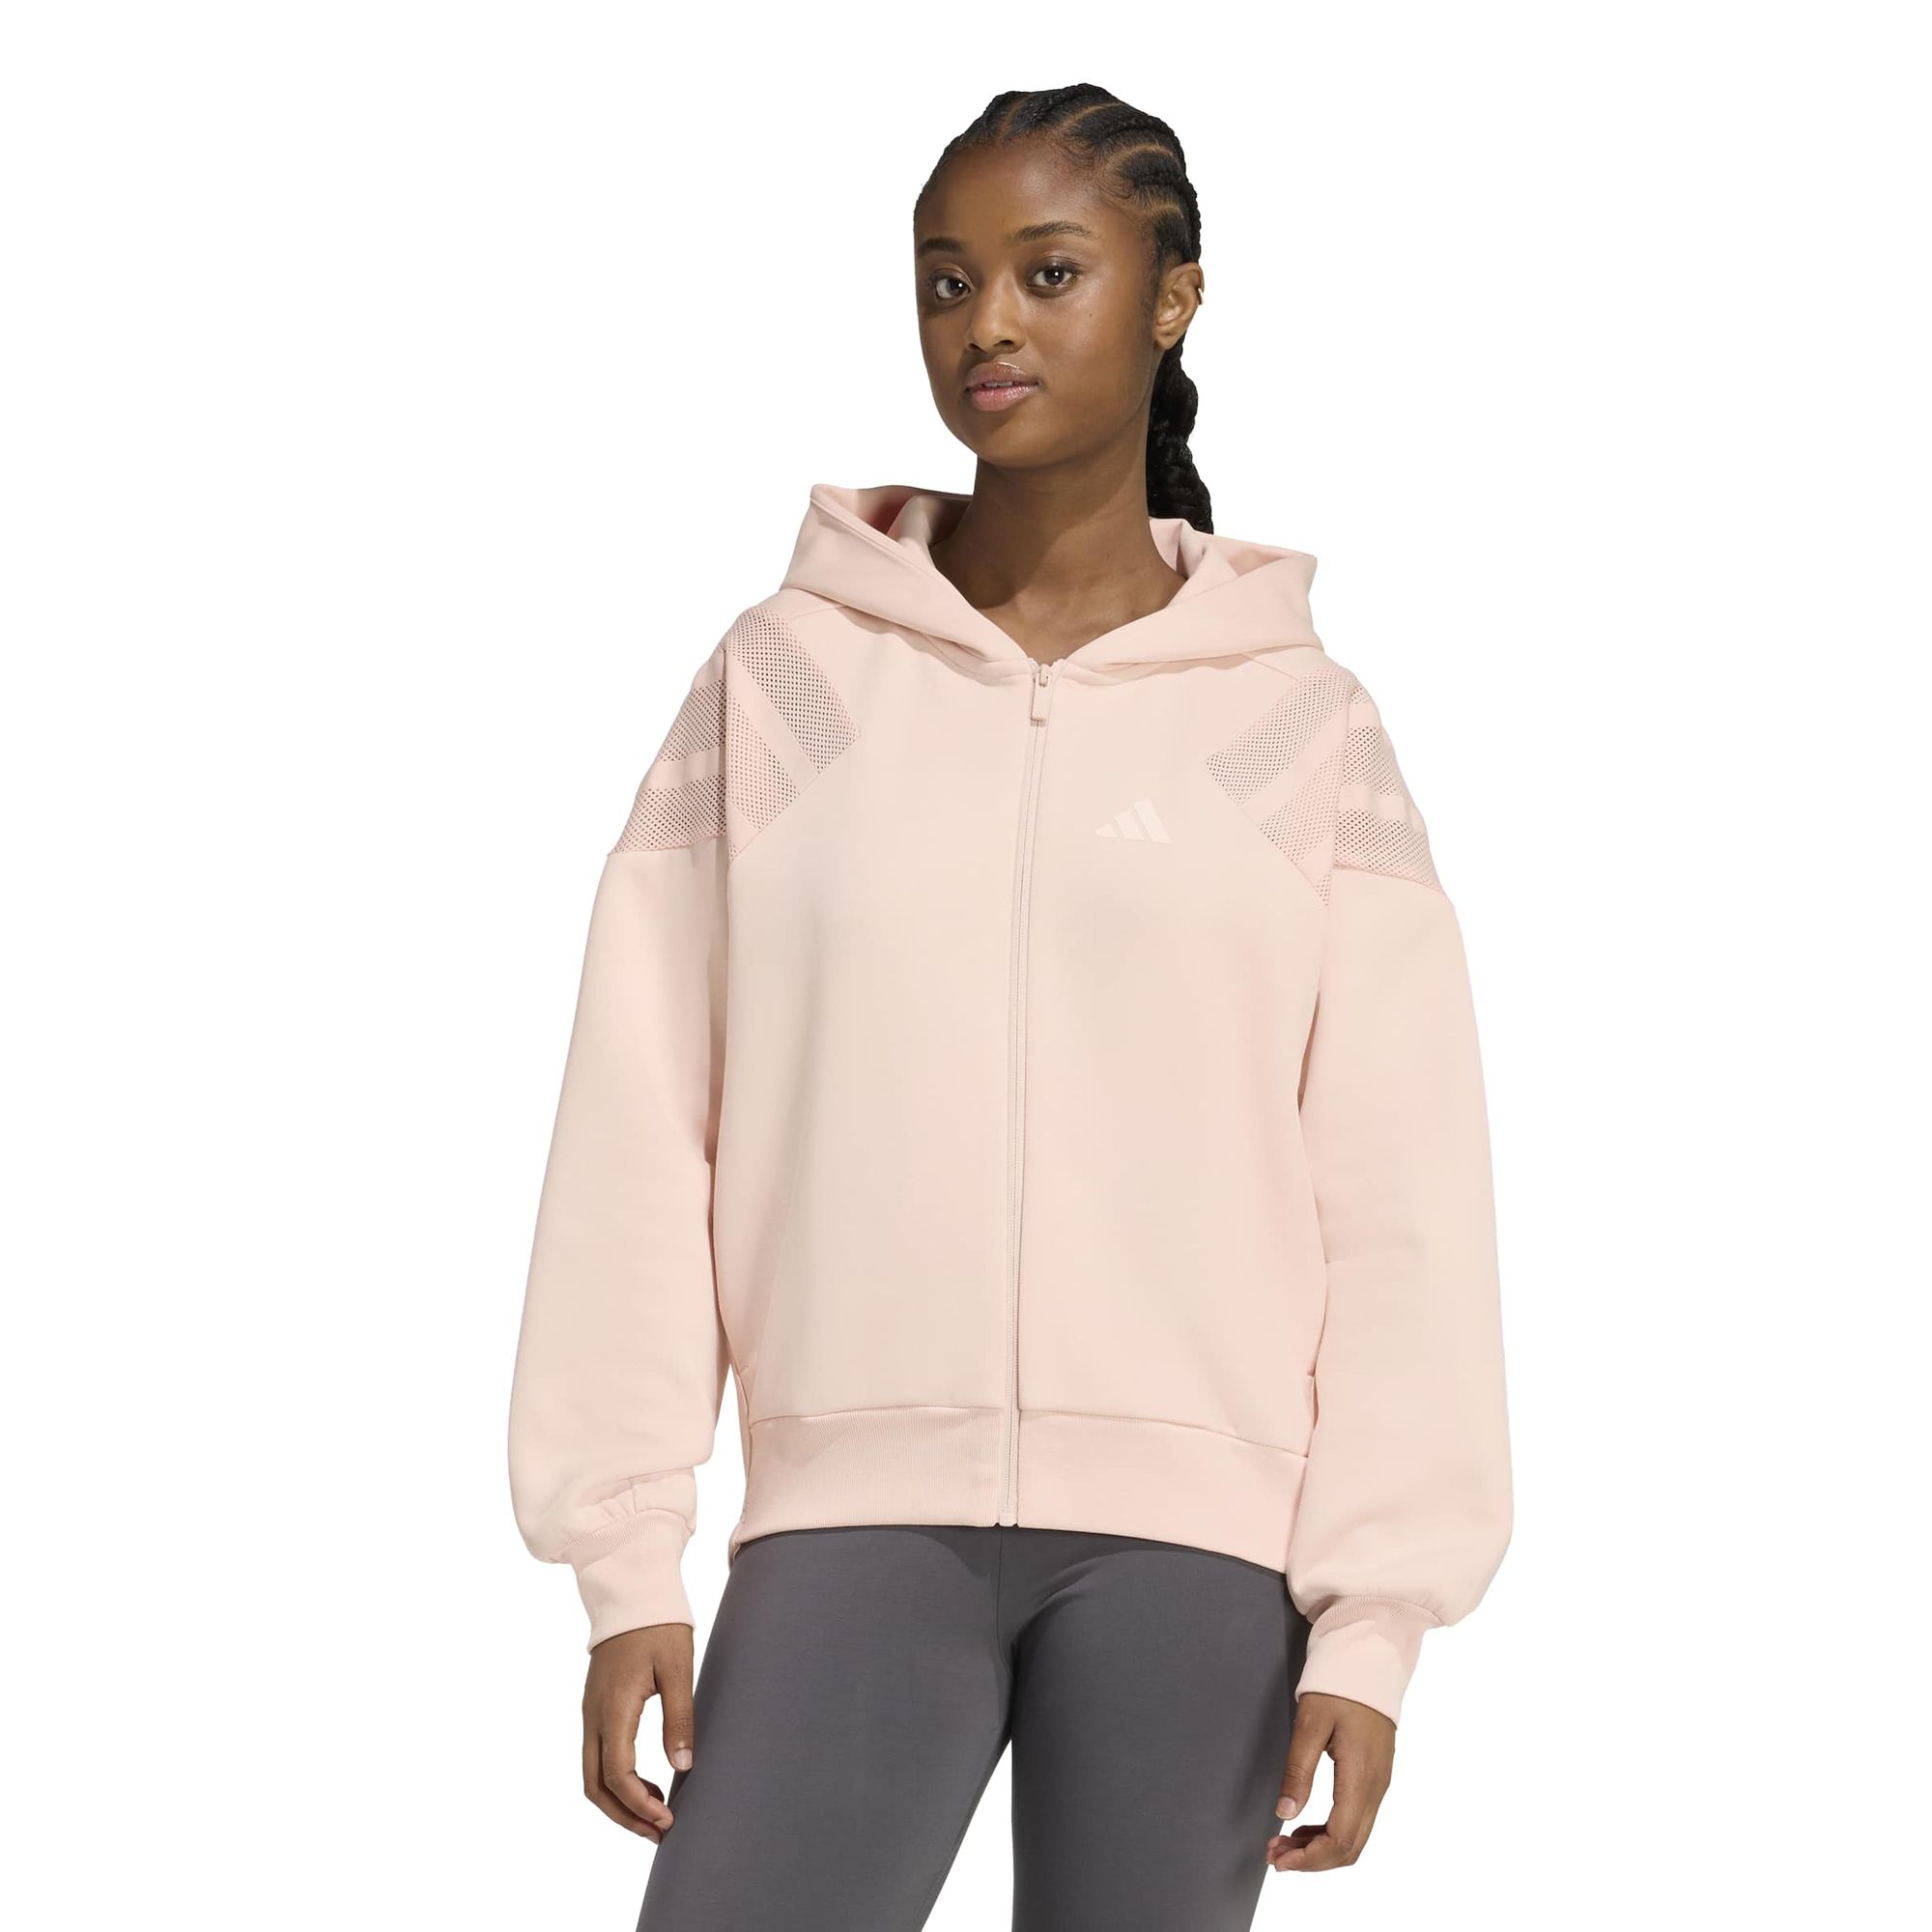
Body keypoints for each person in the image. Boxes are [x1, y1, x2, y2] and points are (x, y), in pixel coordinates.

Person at [507, 82, 1511, 1932]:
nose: (987, 325)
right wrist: (625, 1551)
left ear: (1174, 296)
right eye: (947, 278)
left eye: (1051, 272)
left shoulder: (1298, 727)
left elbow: (1402, 1193)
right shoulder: (787, 681)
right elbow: (644, 1117)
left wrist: (1375, 1621)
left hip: (1198, 1546)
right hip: (849, 1514)